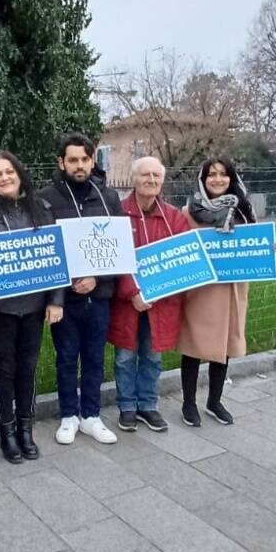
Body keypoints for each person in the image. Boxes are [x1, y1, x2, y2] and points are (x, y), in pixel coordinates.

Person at [0, 150, 65, 463]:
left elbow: (55, 255)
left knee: (28, 369)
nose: (4, 178)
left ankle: (26, 428)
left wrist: (56, 300)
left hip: (34, 307)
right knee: (4, 371)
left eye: (9, 171)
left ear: (20, 174)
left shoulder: (41, 208)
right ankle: (6, 432)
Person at [179, 157, 276, 426]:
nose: (217, 179)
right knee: (193, 345)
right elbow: (179, 247)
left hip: (232, 291)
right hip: (201, 292)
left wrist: (275, 249)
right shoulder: (189, 212)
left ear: (231, 178)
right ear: (202, 180)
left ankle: (214, 402)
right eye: (211, 174)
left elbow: (257, 245)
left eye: (223, 174)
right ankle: (188, 403)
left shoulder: (244, 211)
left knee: (224, 344)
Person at [40, 133, 123, 446]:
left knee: (94, 358)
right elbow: (44, 249)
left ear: (92, 160)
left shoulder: (108, 197)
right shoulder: (45, 198)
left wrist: (97, 279)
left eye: (84, 159)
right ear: (61, 162)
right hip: (64, 299)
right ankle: (68, 415)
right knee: (65, 358)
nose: (79, 165)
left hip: (98, 297)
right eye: (72, 160)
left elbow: (118, 247)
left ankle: (91, 415)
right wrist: (59, 292)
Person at [108, 157, 191, 432]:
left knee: (153, 357)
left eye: (156, 176)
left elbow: (182, 260)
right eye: (145, 175)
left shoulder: (174, 218)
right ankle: (127, 407)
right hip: (127, 303)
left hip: (161, 303)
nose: (151, 180)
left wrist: (158, 291)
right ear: (134, 179)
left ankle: (148, 405)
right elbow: (114, 260)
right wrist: (132, 293)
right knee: (125, 357)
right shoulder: (117, 214)